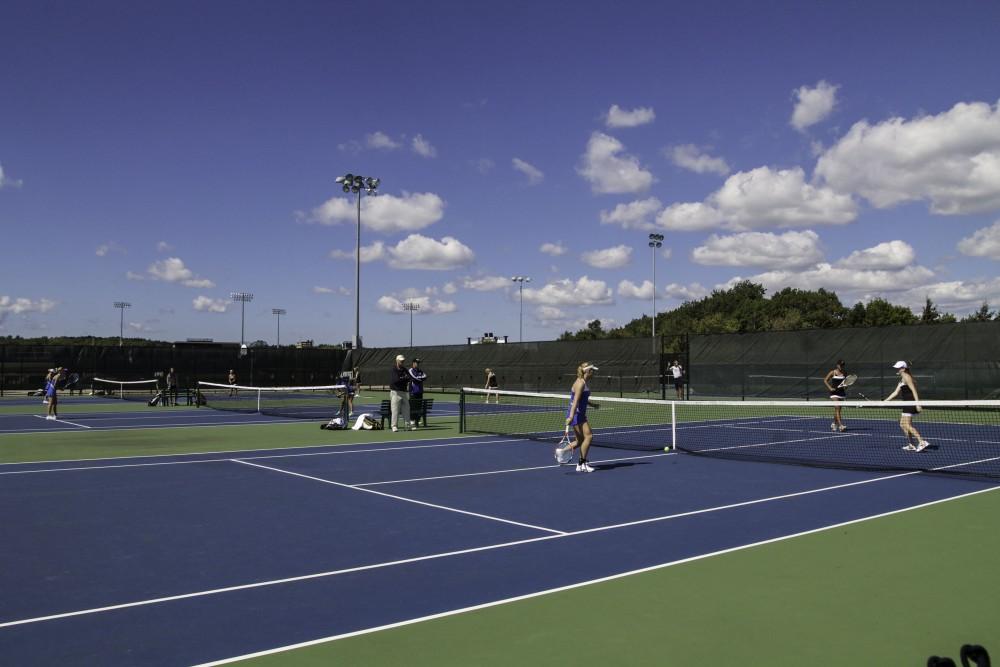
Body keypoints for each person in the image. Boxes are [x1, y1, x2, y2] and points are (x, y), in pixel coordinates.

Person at [560, 362, 600, 473]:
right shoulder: (580, 383)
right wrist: (571, 416)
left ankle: (561, 452)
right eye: (592, 370)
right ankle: (582, 463)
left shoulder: (583, 383)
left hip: (579, 414)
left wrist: (592, 405)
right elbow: (575, 401)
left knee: (579, 440)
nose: (593, 373)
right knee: (589, 436)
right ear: (587, 371)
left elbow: (582, 399)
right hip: (577, 414)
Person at [884, 360, 930, 452]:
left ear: (903, 368)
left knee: (907, 425)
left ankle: (922, 442)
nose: (897, 369)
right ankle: (911, 444)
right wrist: (885, 401)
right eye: (897, 367)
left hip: (910, 403)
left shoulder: (906, 377)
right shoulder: (902, 379)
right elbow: (895, 392)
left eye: (899, 368)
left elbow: (914, 390)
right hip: (906, 404)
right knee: (902, 424)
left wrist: (917, 404)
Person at [389, 354, 413, 432]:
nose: (402, 362)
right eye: (401, 361)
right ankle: (394, 426)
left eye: (403, 361)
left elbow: (410, 378)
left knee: (407, 409)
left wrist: (403, 378)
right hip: (395, 393)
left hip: (404, 392)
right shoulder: (394, 369)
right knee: (395, 410)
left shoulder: (404, 369)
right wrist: (404, 378)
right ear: (397, 361)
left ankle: (407, 426)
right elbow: (395, 380)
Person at [823, 359, 848, 432]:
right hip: (834, 393)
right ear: (837, 365)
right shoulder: (833, 372)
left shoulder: (845, 373)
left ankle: (834, 423)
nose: (841, 366)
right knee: (837, 407)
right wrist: (830, 388)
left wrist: (846, 386)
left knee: (838, 410)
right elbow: (825, 380)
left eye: (843, 365)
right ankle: (840, 426)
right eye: (840, 365)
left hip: (841, 393)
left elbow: (845, 384)